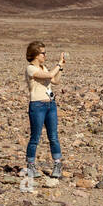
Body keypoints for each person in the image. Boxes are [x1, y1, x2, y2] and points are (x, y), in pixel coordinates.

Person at [24, 41, 66, 179]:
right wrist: (58, 64)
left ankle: (57, 164)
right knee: (35, 137)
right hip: (37, 106)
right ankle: (30, 165)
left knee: (53, 137)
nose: (45, 55)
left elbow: (55, 81)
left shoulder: (44, 67)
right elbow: (48, 76)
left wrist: (60, 68)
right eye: (43, 53)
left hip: (50, 105)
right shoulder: (31, 69)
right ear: (36, 54)